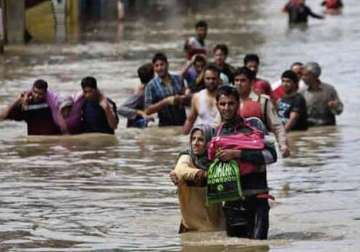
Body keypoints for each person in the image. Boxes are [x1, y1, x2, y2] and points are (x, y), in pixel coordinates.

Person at [215, 85, 277, 239]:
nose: (227, 108)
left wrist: (237, 154)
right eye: (223, 104)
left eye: (231, 103)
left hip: (258, 200)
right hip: (231, 203)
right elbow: (206, 164)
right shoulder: (217, 132)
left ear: (238, 104)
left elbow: (271, 155)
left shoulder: (255, 125)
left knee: (258, 247)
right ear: (217, 106)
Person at [170, 125, 225, 233]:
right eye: (193, 139)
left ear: (209, 143)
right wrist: (203, 175)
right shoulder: (187, 157)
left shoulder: (218, 161)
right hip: (190, 226)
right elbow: (181, 170)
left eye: (200, 140)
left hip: (215, 225)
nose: (195, 143)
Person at [233, 67, 290, 157]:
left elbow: (277, 126)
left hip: (257, 152)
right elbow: (218, 125)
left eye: (243, 80)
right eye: (236, 80)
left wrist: (283, 145)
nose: (239, 84)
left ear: (251, 83)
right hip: (233, 151)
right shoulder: (228, 102)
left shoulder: (263, 102)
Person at [145, 52, 188, 126]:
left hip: (183, 123)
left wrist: (182, 98)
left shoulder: (179, 79)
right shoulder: (151, 85)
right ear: (154, 68)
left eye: (162, 64)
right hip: (165, 125)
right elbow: (148, 110)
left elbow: (186, 99)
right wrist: (165, 102)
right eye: (156, 66)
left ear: (167, 64)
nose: (160, 68)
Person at [300, 62, 343, 126]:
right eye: (302, 75)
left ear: (314, 76)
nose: (302, 78)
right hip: (309, 128)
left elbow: (339, 110)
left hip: (328, 128)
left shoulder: (329, 90)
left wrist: (334, 106)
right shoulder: (301, 92)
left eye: (305, 75)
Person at [183, 64, 221, 134]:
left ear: (219, 79)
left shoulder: (225, 97)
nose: (211, 81)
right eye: (208, 78)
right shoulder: (197, 97)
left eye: (213, 78)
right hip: (203, 137)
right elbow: (190, 120)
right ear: (203, 79)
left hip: (220, 137)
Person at [118, 63, 155, 128]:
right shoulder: (140, 93)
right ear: (152, 77)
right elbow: (120, 109)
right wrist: (140, 112)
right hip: (136, 126)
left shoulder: (151, 89)